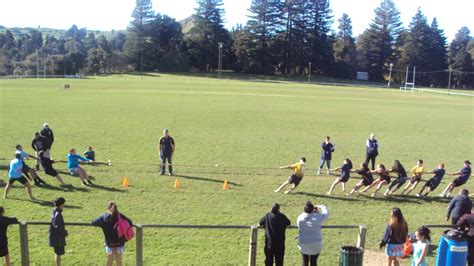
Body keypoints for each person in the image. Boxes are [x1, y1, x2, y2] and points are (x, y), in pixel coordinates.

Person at [92, 202, 133, 266]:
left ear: (108, 209)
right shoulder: (121, 216)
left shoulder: (104, 217)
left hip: (110, 243)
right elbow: (130, 222)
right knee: (119, 261)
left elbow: (93, 222)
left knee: (110, 260)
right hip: (120, 242)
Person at [297, 201, 329, 266]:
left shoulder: (300, 218)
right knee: (313, 261)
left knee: (304, 261)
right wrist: (321, 207)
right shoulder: (318, 217)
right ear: (312, 210)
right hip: (316, 242)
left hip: (303, 242)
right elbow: (326, 212)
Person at [49, 197, 68, 266]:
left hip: (55, 237)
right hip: (58, 237)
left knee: (57, 253)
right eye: (63, 204)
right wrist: (64, 232)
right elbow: (56, 225)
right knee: (58, 253)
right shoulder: (58, 214)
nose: (64, 205)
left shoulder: (54, 211)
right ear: (61, 204)